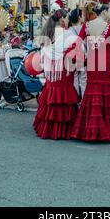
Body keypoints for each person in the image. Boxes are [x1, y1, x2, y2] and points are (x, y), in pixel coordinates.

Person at [68, 3, 110, 142]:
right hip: (106, 66)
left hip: (92, 66)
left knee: (92, 93)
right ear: (104, 12)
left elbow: (78, 45)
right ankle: (107, 130)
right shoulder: (109, 28)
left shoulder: (86, 26)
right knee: (107, 94)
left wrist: (80, 60)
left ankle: (91, 131)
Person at [33, 9, 79, 140]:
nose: (68, 20)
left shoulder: (47, 34)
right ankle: (63, 130)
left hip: (51, 73)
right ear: (62, 19)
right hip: (64, 72)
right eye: (67, 17)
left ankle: (48, 129)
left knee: (52, 97)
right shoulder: (67, 35)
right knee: (64, 98)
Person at [64, 8, 87, 98]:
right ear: (79, 17)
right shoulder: (84, 28)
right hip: (83, 56)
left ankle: (75, 99)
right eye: (82, 15)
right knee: (83, 79)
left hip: (71, 56)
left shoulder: (68, 31)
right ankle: (84, 101)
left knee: (74, 78)